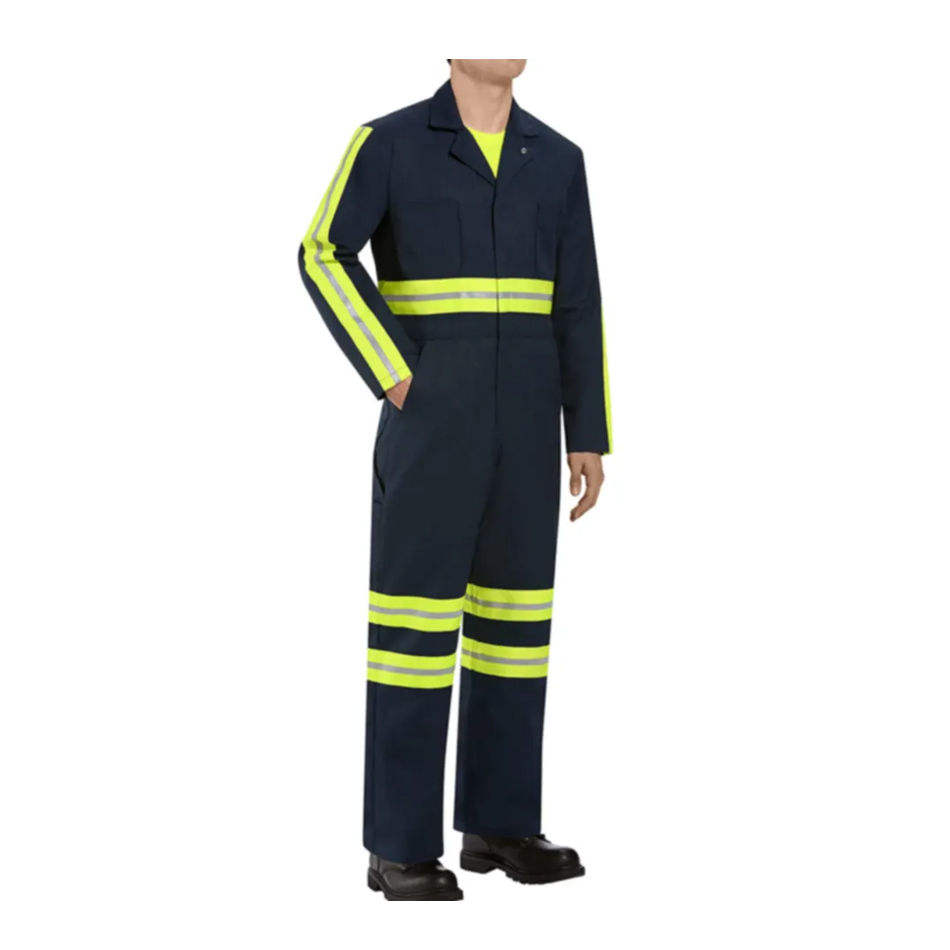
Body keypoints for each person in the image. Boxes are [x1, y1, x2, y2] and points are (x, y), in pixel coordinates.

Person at [299, 58, 611, 901]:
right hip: (434, 423)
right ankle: (398, 846)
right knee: (415, 634)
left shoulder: (559, 158)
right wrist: (394, 371)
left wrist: (587, 432)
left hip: (529, 425)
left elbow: (578, 300)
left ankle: (499, 825)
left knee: (516, 631)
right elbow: (322, 252)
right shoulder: (390, 142)